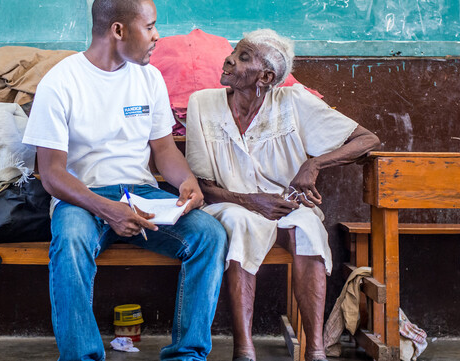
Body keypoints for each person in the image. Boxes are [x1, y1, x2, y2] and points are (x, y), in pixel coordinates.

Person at [22, 0, 228, 360]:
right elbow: (53, 175)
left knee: (209, 235)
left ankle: (187, 355)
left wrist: (186, 183)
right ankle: (81, 356)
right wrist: (109, 211)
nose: (157, 36)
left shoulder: (148, 77)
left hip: (140, 195)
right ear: (118, 30)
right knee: (69, 240)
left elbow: (164, 150)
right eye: (149, 27)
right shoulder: (61, 82)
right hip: (81, 198)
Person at [184, 29, 381, 361]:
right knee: (239, 221)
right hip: (227, 203)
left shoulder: (294, 102)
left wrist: (314, 164)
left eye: (243, 56)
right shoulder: (202, 103)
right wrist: (249, 200)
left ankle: (315, 350)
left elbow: (367, 140)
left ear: (266, 76)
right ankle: (244, 350)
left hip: (284, 204)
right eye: (234, 51)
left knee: (307, 227)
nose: (230, 59)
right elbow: (202, 185)